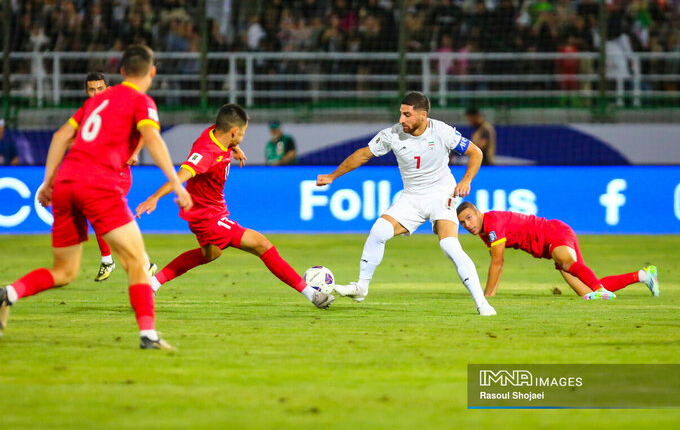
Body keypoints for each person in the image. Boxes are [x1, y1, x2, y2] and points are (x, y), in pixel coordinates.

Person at [0, 44, 192, 350]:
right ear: (152, 72)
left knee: (64, 271)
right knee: (138, 261)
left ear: (121, 73)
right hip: (98, 183)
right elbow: (151, 138)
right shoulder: (142, 101)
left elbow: (60, 137)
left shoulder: (97, 102)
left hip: (67, 182)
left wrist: (48, 183)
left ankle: (7, 294)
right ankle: (148, 335)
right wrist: (177, 183)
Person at [135, 104, 334, 310]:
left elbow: (222, 132)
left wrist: (234, 147)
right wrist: (154, 197)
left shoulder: (216, 134)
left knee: (210, 254)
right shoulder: (207, 153)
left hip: (211, 210)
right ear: (234, 131)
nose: (243, 138)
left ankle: (152, 283)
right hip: (208, 216)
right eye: (243, 134)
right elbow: (180, 176)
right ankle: (313, 294)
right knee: (262, 244)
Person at [316, 91, 496, 316]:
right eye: (401, 114)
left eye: (407, 115)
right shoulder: (392, 134)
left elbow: (476, 152)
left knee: (449, 246)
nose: (401, 120)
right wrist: (333, 176)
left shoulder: (442, 131)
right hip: (411, 197)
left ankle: (482, 303)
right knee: (378, 231)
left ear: (423, 115)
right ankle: (361, 287)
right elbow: (363, 154)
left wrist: (466, 180)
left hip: (442, 194)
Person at [456, 202, 660, 299]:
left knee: (567, 264)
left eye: (469, 217)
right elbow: (498, 263)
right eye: (462, 222)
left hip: (553, 234)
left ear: (478, 212)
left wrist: (486, 297)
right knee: (585, 292)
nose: (466, 224)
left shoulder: (492, 223)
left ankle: (600, 291)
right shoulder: (485, 231)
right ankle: (643, 275)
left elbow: (498, 262)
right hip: (550, 241)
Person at [81, 72, 155, 282]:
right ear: (87, 92)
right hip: (102, 173)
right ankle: (126, 262)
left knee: (110, 219)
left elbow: (143, 130)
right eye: (92, 89)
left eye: (100, 89)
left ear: (107, 88)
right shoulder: (90, 113)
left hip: (120, 174)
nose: (96, 93)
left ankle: (127, 262)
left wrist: (134, 153)